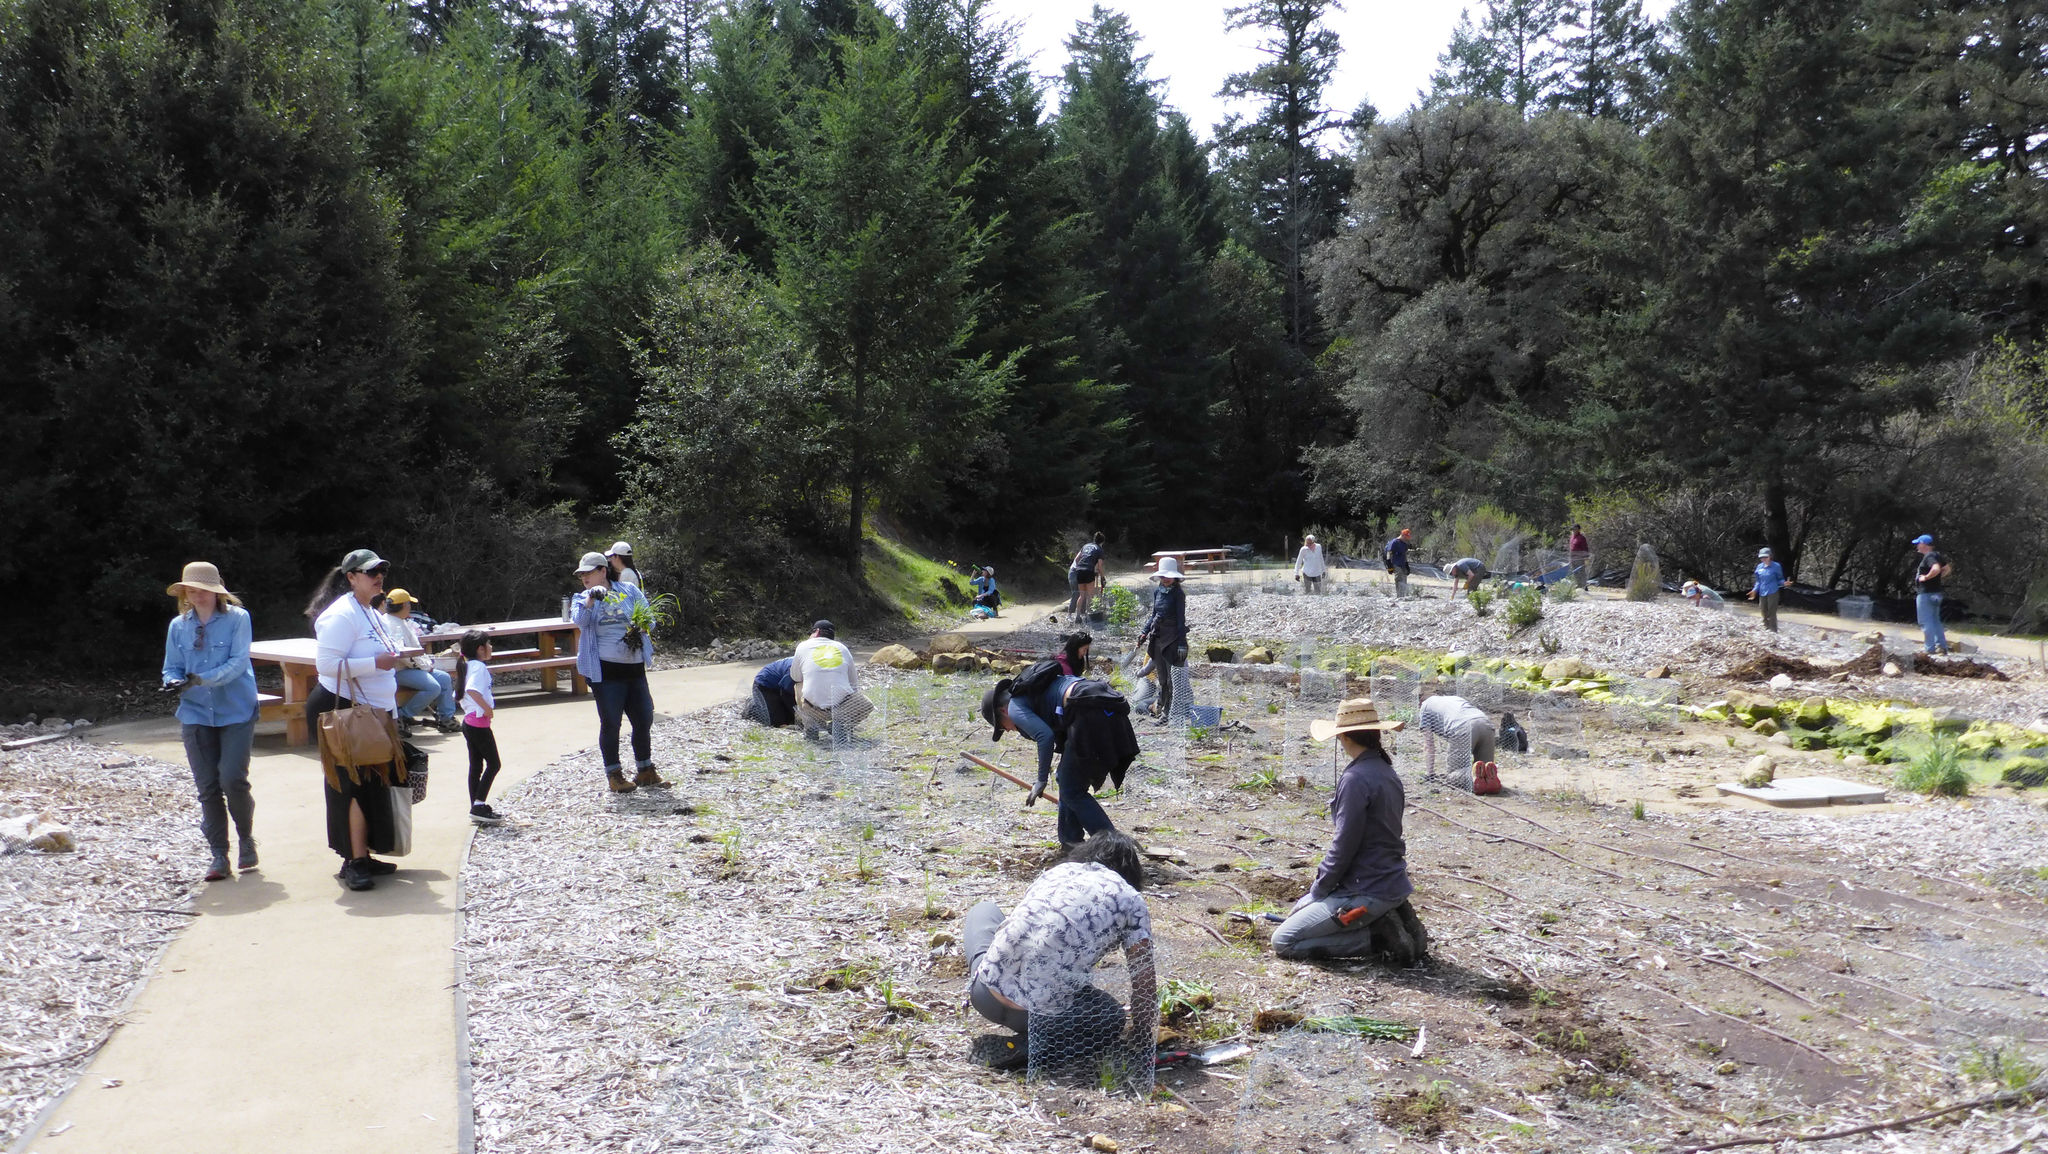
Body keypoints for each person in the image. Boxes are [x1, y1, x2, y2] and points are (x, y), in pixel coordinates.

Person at [964, 830, 1156, 1072]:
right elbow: (1144, 980)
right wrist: (1141, 1033)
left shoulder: (1057, 873)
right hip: (1043, 1019)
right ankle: (1028, 1046)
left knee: (984, 909)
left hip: (985, 995)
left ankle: (986, 980)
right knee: (1110, 1016)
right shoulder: (1131, 899)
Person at [1272, 698, 1427, 964]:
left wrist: (1320, 889)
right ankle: (1387, 919)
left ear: (1343, 737)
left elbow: (1344, 845)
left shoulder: (1355, 779)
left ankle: (1376, 938)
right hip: (1390, 882)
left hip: (1366, 889)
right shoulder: (1386, 771)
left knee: (1284, 940)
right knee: (1301, 914)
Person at [305, 548, 413, 891]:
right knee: (348, 786)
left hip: (373, 711)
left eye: (381, 570)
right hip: (343, 709)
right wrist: (374, 664)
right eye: (370, 572)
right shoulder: (341, 616)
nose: (378, 576)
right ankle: (353, 861)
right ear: (351, 577)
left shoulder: (371, 611)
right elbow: (325, 667)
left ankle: (363, 854)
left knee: (372, 782)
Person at [160, 561, 260, 882]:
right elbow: (171, 666)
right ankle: (219, 854)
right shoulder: (178, 626)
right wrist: (172, 681)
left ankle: (246, 838)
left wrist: (200, 679)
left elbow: (236, 663)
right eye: (191, 590)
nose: (196, 595)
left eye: (202, 590)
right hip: (195, 714)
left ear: (216, 592)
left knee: (232, 779)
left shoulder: (238, 619)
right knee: (207, 788)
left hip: (237, 710)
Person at [981, 660, 1138, 848]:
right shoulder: (1033, 694)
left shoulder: (1014, 707)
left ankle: (1114, 845)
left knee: (1072, 790)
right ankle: (1070, 841)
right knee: (1066, 780)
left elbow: (1044, 737)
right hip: (1103, 703)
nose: (1007, 731)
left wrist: (1041, 781)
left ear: (1002, 711)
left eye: (1001, 727)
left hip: (1089, 711)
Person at [573, 551, 668, 793]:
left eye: (588, 572)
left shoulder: (629, 590)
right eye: (581, 574)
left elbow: (650, 619)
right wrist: (591, 601)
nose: (584, 577)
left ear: (602, 571)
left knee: (644, 717)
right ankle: (614, 775)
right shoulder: (581, 598)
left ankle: (645, 770)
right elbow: (580, 621)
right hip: (605, 671)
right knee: (611, 722)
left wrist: (639, 625)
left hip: (634, 668)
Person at [383, 589, 458, 734]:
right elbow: (403, 654)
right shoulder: (390, 624)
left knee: (444, 678)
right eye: (409, 604)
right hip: (399, 670)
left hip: (411, 668)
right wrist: (424, 667)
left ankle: (446, 718)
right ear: (403, 606)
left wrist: (425, 665)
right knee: (433, 687)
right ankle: (403, 716)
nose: (410, 607)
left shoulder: (400, 621)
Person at [454, 631, 506, 826]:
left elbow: (458, 694)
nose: (491, 647)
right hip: (478, 724)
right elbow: (471, 690)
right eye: (488, 644)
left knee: (476, 766)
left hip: (470, 723)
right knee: (494, 764)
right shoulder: (478, 667)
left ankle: (476, 807)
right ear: (480, 649)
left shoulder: (467, 665)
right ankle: (479, 805)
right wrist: (486, 709)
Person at [793, 620, 868, 742]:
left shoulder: (802, 646)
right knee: (867, 705)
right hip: (840, 708)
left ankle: (810, 726)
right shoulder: (842, 648)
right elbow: (853, 683)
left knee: (798, 684)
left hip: (812, 708)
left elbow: (795, 677)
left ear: (816, 632)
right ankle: (839, 725)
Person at [1137, 556, 1189, 723]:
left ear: (1175, 577)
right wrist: (1144, 632)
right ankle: (1163, 710)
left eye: (1169, 576)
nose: (1166, 579)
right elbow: (1154, 615)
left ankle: (1172, 713)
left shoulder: (1178, 594)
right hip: (1157, 638)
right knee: (1162, 679)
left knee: (1172, 680)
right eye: (1163, 576)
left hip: (1173, 639)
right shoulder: (1158, 591)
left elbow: (1181, 620)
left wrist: (1182, 643)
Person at [1416, 695, 1499, 793]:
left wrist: (1429, 773)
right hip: (1486, 724)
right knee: (1484, 767)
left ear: (1420, 704)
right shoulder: (1453, 698)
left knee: (1454, 775)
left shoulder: (1425, 707)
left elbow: (1428, 744)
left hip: (1463, 728)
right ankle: (1488, 779)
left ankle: (1472, 777)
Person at [1912, 534, 1950, 655]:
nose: (1917, 546)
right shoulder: (1937, 555)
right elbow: (1947, 568)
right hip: (1936, 593)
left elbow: (1936, 568)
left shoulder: (1929, 556)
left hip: (1926, 594)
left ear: (1923, 544)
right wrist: (1937, 578)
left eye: (1919, 543)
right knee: (1935, 620)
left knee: (1925, 621)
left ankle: (1930, 649)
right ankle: (1941, 647)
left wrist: (1926, 577)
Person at [744, 657, 797, 727]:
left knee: (791, 719)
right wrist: (796, 711)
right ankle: (753, 707)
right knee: (778, 722)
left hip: (779, 685)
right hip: (764, 685)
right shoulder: (794, 671)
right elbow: (786, 694)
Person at [1745, 548, 1786, 632]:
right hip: (1762, 591)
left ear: (1770, 556)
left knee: (1772, 611)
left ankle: (1773, 630)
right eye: (1761, 558)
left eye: (1765, 557)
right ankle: (1766, 627)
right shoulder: (1759, 567)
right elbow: (1758, 581)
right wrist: (1754, 590)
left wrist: (1784, 583)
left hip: (1773, 591)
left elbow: (1780, 579)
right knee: (1763, 610)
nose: (1763, 559)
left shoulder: (1776, 566)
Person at [1068, 532, 1106, 622]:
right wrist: (1103, 577)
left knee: (1082, 595)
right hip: (1089, 570)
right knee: (1090, 595)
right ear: (1102, 542)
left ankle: (1077, 616)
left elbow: (1077, 559)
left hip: (1079, 570)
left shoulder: (1086, 546)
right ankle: (1087, 617)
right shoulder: (1099, 549)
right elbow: (1100, 566)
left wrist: (1079, 569)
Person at [1382, 529, 1413, 599]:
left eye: (1407, 537)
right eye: (1406, 537)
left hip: (1403, 564)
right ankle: (1399, 596)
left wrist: (1407, 565)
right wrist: (1389, 565)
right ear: (1402, 535)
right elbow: (1388, 553)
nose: (1406, 539)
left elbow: (1404, 555)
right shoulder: (1394, 542)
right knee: (1399, 579)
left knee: (1404, 579)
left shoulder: (1404, 544)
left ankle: (1403, 595)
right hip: (1395, 564)